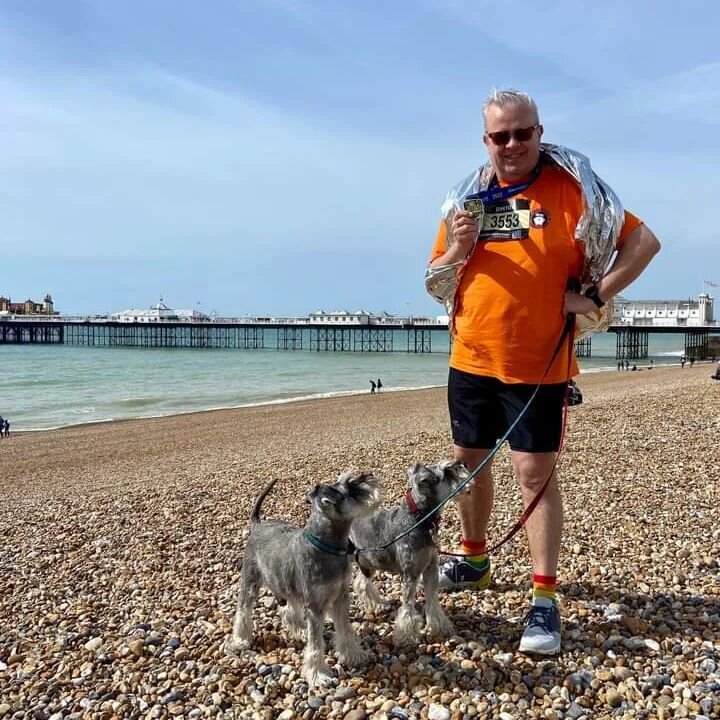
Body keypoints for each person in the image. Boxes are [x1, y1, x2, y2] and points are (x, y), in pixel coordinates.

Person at [426, 89, 660, 655]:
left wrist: (596, 294)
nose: (512, 144)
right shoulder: (467, 199)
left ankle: (544, 599)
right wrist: (456, 250)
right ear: (486, 141)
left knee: (534, 475)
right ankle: (475, 558)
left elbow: (644, 242)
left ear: (539, 131)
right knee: (467, 465)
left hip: (541, 362)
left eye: (522, 133)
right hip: (472, 357)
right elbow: (435, 274)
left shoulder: (573, 191)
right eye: (500, 136)